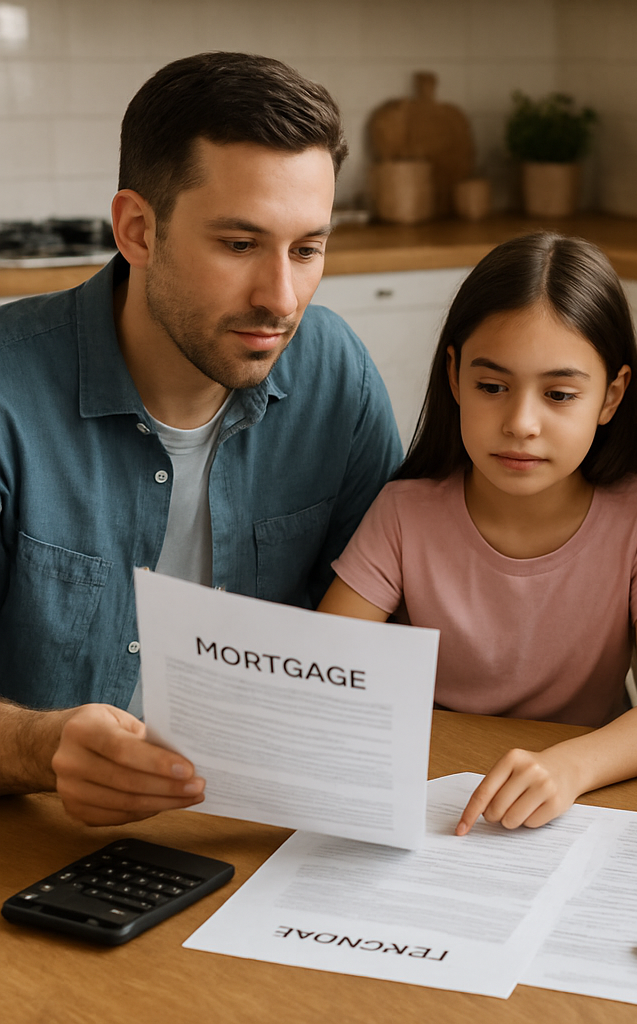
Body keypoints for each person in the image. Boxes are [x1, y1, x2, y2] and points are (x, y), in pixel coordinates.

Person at [0, 53, 402, 825]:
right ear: (137, 230)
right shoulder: (9, 396)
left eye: (307, 249)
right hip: (38, 842)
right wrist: (40, 748)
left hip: (260, 837)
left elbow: (395, 626)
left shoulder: (336, 374)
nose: (280, 299)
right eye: (240, 244)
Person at [319, 232, 637, 832]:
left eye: (558, 394)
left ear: (611, 395)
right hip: (429, 798)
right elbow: (322, 672)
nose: (521, 423)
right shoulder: (404, 512)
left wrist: (570, 767)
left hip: (580, 798)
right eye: (492, 387)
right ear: (454, 378)